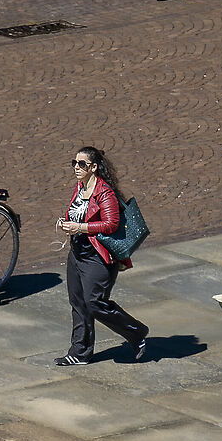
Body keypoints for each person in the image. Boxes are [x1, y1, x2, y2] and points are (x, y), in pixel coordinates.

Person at [56, 144, 151, 366]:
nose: (76, 168)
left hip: (97, 257)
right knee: (78, 302)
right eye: (74, 163)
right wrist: (66, 222)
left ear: (94, 167)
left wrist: (80, 228)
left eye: (82, 164)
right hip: (77, 253)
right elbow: (78, 212)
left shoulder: (104, 192)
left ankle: (136, 331)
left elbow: (111, 224)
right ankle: (80, 352)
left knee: (94, 302)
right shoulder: (80, 187)